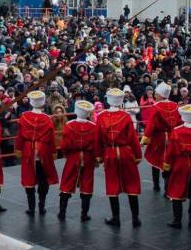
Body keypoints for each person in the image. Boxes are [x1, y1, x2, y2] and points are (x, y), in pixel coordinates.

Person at [98, 87, 142, 227]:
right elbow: (133, 138)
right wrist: (138, 155)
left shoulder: (101, 117)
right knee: (132, 184)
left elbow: (98, 138)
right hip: (125, 152)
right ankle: (135, 218)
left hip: (110, 153)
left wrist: (99, 156)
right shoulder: (126, 117)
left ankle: (116, 218)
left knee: (112, 184)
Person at [15, 90, 59, 216]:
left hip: (28, 150)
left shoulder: (24, 117)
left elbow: (20, 136)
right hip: (43, 150)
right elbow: (52, 138)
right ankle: (41, 204)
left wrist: (18, 149)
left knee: (28, 177)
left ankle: (31, 207)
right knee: (43, 178)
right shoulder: (47, 119)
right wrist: (53, 152)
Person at [58, 100, 98, 222]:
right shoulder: (94, 126)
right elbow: (96, 145)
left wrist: (67, 154)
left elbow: (64, 145)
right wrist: (96, 158)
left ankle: (62, 213)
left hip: (73, 157)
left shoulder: (69, 125)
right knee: (87, 183)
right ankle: (84, 215)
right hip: (88, 157)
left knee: (67, 182)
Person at [143, 83, 181, 194]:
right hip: (171, 136)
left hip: (158, 138)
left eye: (156, 94)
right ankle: (167, 188)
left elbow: (151, 124)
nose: (155, 95)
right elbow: (179, 121)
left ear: (160, 95)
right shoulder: (175, 106)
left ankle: (156, 185)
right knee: (169, 160)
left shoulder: (156, 107)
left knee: (155, 160)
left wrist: (145, 138)